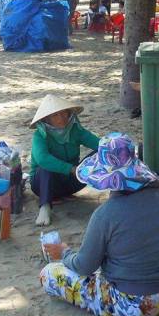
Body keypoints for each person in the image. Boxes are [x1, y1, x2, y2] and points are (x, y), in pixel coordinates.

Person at [39, 133, 159, 316]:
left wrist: (64, 253)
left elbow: (84, 266)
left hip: (136, 302)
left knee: (49, 274)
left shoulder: (105, 214)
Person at [29, 94, 100, 226]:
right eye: (55, 115)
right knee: (45, 167)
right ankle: (45, 207)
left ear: (69, 114)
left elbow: (98, 144)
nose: (61, 118)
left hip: (71, 183)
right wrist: (71, 169)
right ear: (46, 119)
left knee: (101, 153)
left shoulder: (76, 130)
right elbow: (42, 159)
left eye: (63, 113)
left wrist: (114, 147)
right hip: (45, 186)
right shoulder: (39, 135)